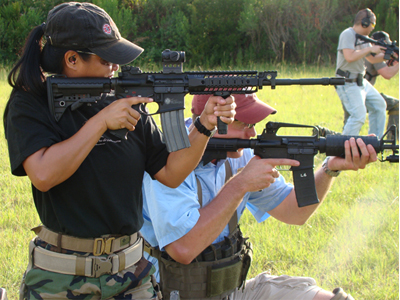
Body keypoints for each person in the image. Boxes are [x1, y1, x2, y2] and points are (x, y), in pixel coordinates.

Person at [3, 2, 235, 299]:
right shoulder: (31, 104)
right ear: (72, 59)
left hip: (130, 275)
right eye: (107, 59)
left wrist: (204, 125)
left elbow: (171, 173)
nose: (116, 68)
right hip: (61, 278)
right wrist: (101, 122)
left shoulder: (125, 101)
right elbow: (44, 174)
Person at [141, 93, 378, 300]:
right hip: (167, 293)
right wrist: (240, 184)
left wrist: (329, 168)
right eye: (244, 124)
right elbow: (183, 249)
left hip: (229, 292)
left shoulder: (240, 153)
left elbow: (293, 211)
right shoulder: (168, 160)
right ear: (214, 121)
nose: (253, 133)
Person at [335, 8, 387, 138]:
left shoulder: (365, 39)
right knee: (358, 116)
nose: (373, 28)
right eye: (373, 24)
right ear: (364, 23)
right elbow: (349, 56)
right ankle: (343, 149)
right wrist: (370, 48)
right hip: (347, 81)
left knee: (379, 106)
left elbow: (372, 58)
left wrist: (389, 56)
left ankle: (374, 143)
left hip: (360, 81)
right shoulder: (348, 34)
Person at [343, 31, 399, 139]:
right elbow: (387, 74)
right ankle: (391, 141)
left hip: (353, 93)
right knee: (396, 105)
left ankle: (327, 134)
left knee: (348, 132)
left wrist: (393, 61)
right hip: (358, 94)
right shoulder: (374, 55)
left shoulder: (367, 52)